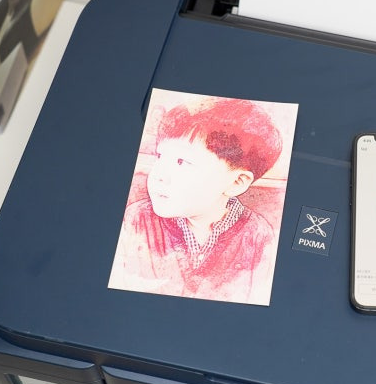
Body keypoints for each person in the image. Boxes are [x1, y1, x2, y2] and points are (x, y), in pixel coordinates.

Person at [110, 97, 284, 304]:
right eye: (160, 156)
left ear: (237, 182)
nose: (158, 175)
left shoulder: (258, 236)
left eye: (181, 162)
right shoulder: (136, 220)